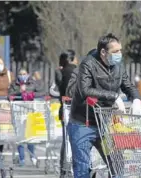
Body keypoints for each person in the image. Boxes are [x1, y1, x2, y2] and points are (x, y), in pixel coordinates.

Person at [68, 33, 141, 178]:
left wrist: (136, 99)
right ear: (103, 52)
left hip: (105, 125)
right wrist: (114, 96)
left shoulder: (118, 66)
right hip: (83, 123)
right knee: (82, 168)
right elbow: (85, 90)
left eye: (120, 50)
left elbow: (127, 85)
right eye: (115, 51)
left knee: (117, 164)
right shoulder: (88, 64)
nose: (119, 54)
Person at [8, 68, 45, 167]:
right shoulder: (14, 84)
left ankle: (32, 156)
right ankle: (22, 158)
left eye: (24, 74)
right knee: (20, 136)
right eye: (20, 74)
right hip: (18, 113)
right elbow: (9, 94)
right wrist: (19, 91)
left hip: (30, 112)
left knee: (30, 136)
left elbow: (42, 92)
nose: (22, 75)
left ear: (28, 74)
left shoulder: (32, 82)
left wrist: (28, 93)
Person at [58, 49, 78, 177]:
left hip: (65, 109)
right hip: (75, 110)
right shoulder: (75, 71)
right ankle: (70, 168)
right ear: (72, 59)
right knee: (74, 140)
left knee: (66, 140)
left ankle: (64, 168)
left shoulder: (61, 72)